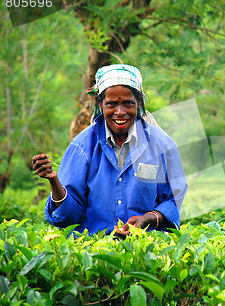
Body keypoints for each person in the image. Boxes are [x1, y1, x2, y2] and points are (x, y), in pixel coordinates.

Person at [33, 64, 187, 235]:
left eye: (128, 103)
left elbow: (173, 200)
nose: (120, 112)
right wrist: (54, 181)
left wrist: (148, 218)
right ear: (100, 103)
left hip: (145, 252)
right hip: (93, 252)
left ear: (139, 103)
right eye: (112, 104)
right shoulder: (82, 147)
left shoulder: (163, 146)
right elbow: (69, 217)